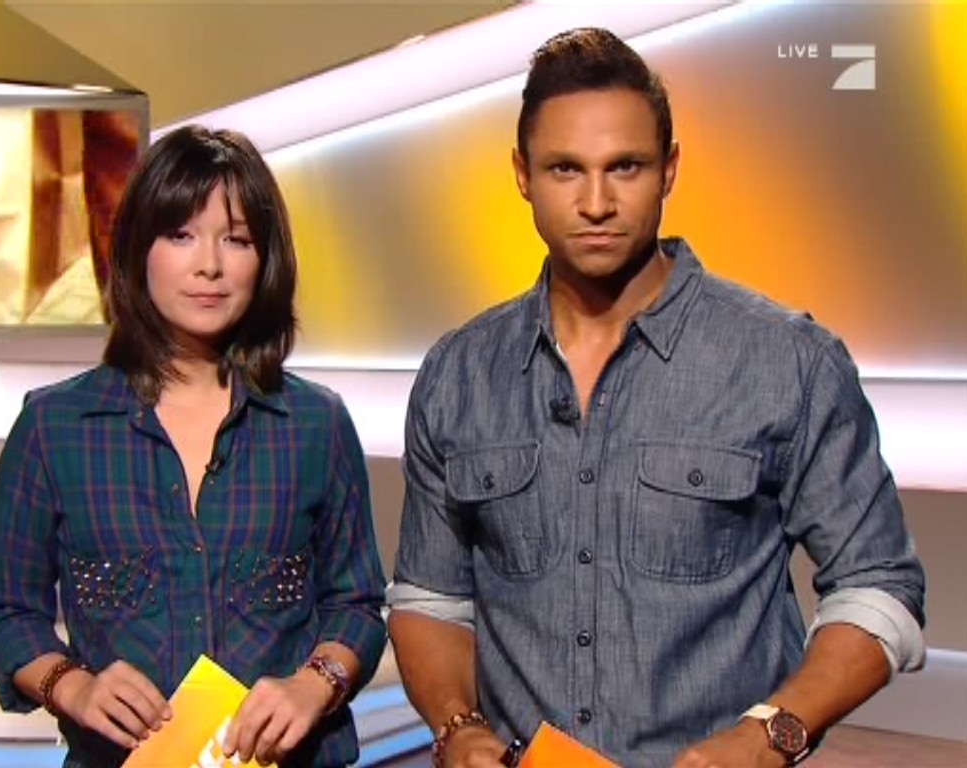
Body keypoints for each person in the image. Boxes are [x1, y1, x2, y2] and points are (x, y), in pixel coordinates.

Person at [387, 27, 926, 768]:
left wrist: (770, 735)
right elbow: (429, 598)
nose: (597, 202)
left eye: (626, 167)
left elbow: (878, 587)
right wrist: (457, 727)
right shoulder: (459, 374)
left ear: (669, 170)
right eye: (566, 169)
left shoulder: (789, 361)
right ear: (522, 175)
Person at [0, 125, 388, 768]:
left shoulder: (315, 424)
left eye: (237, 239)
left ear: (266, 259)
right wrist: (73, 687)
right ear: (138, 248)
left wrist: (315, 684)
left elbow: (355, 604)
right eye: (181, 235)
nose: (209, 265)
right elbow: (6, 613)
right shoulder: (54, 428)